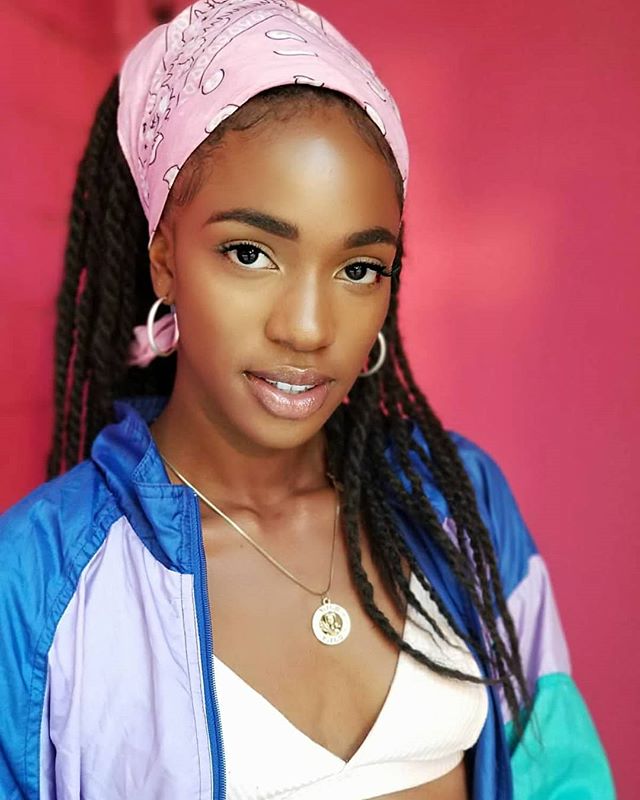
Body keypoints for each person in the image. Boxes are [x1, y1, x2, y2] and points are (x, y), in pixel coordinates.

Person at [0, 2, 615, 798]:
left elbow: (563, 780)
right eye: (250, 253)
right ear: (164, 259)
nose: (309, 327)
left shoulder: (454, 503)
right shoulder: (38, 578)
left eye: (359, 269)